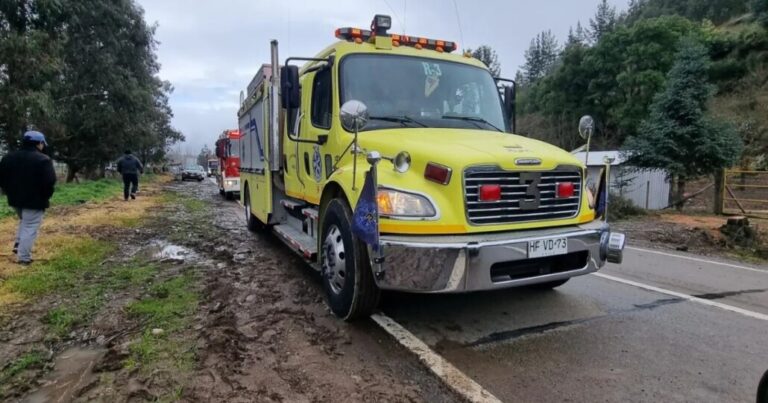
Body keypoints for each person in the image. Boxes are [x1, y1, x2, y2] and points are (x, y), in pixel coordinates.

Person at [0, 131, 56, 265]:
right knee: (30, 226)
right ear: (40, 143)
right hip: (35, 200)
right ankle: (24, 258)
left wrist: (9, 191)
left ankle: (18, 245)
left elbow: (1, 179)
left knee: (24, 221)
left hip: (14, 199)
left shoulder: (8, 158)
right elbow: (49, 181)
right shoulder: (43, 159)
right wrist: (45, 196)